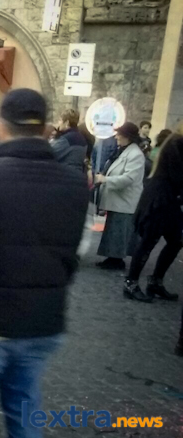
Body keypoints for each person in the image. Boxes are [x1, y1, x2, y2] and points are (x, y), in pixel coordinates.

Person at [0, 89, 89, 438]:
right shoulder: (75, 183)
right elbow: (80, 247)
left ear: (1, 126)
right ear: (45, 129)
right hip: (43, 321)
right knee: (24, 411)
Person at [122, 134, 183, 302]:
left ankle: (155, 281)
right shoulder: (177, 142)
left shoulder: (176, 141)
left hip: (169, 199)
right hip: (160, 199)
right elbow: (178, 174)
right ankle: (131, 283)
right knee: (148, 241)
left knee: (176, 241)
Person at [94, 123, 145, 270]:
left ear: (127, 137)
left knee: (119, 231)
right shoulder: (125, 151)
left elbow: (128, 179)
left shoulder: (135, 155)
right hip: (119, 200)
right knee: (114, 230)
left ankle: (116, 260)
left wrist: (105, 180)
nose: (116, 137)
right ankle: (112, 258)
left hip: (125, 200)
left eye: (119, 134)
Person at [52, 108, 88, 173]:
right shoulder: (81, 138)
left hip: (64, 174)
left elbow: (50, 152)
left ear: (67, 123)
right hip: (78, 173)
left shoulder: (66, 139)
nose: (58, 123)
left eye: (60, 120)